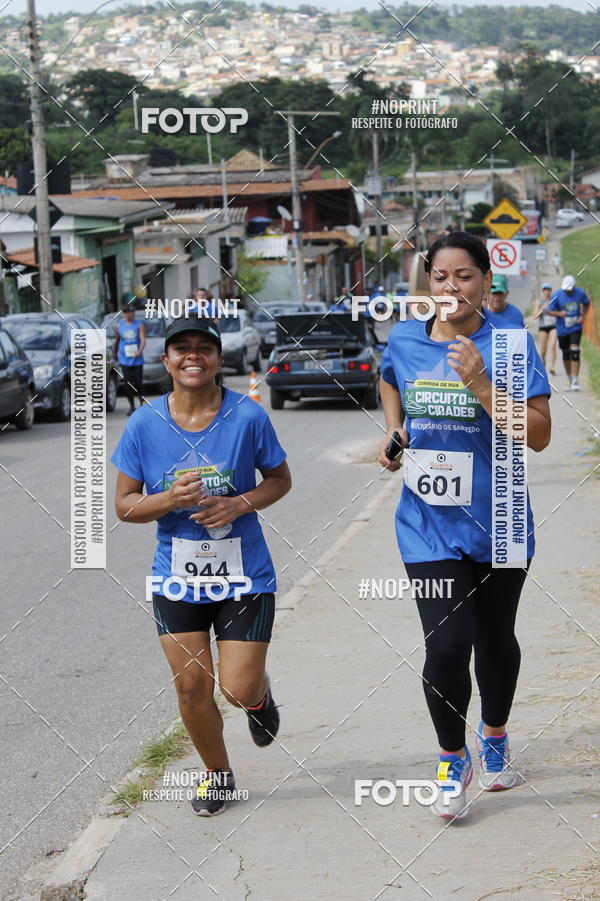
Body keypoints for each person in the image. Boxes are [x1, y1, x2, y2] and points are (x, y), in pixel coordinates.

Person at [378, 231, 551, 820]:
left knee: (494, 640)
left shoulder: (508, 342)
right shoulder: (404, 337)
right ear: (428, 282)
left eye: (465, 276)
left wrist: (480, 383)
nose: (451, 286)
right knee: (446, 645)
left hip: (499, 517)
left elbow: (539, 433)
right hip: (426, 523)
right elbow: (388, 377)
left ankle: (495, 734)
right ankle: (453, 757)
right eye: (440, 276)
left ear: (485, 281)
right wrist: (396, 430)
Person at [111, 318, 292, 816]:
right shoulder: (144, 424)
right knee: (192, 686)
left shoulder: (247, 417)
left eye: (205, 349)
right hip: (176, 575)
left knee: (235, 688)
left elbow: (279, 479)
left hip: (244, 574)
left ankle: (258, 697)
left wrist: (240, 504)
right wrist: (167, 498)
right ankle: (218, 776)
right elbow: (124, 506)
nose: (194, 357)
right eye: (182, 349)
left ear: (218, 358)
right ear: (166, 360)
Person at [547, 274, 590, 391]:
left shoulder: (580, 293)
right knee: (566, 354)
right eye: (566, 290)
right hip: (562, 328)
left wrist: (583, 315)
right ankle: (569, 377)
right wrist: (559, 314)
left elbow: (586, 303)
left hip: (575, 326)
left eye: (570, 290)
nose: (568, 292)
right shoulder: (556, 295)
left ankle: (576, 379)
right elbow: (549, 311)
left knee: (575, 352)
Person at [114, 303, 146, 416]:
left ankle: (142, 403)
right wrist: (115, 354)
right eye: (127, 312)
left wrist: (140, 351)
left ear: (134, 313)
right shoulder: (119, 326)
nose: (129, 314)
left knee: (138, 382)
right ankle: (132, 406)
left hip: (137, 358)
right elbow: (116, 341)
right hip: (124, 358)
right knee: (127, 383)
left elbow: (142, 339)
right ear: (124, 314)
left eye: (131, 312)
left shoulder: (139, 324)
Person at [534, 282, 557, 376]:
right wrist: (541, 309)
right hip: (543, 327)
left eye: (548, 289)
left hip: (553, 326)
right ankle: (543, 364)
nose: (546, 291)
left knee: (553, 346)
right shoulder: (539, 301)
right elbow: (535, 316)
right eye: (544, 289)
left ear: (551, 291)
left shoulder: (554, 300)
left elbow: (559, 311)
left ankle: (552, 367)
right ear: (542, 291)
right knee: (543, 350)